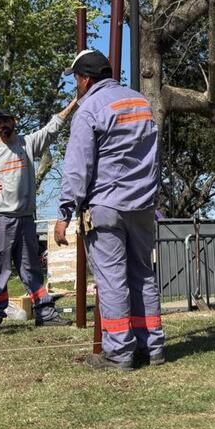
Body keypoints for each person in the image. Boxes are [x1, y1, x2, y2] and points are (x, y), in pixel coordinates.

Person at [55, 49, 164, 371]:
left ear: (85, 79)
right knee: (143, 274)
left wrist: (65, 212)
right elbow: (153, 155)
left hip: (106, 205)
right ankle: (152, 348)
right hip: (143, 205)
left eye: (75, 79)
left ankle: (119, 355)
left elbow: (78, 166)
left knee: (113, 280)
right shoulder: (139, 102)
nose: (76, 86)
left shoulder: (89, 109)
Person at [0, 100, 78, 329]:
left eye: (7, 121)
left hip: (25, 218)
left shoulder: (27, 144)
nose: (3, 125)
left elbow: (52, 127)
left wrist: (75, 102)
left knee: (31, 267)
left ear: (14, 122)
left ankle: (45, 313)